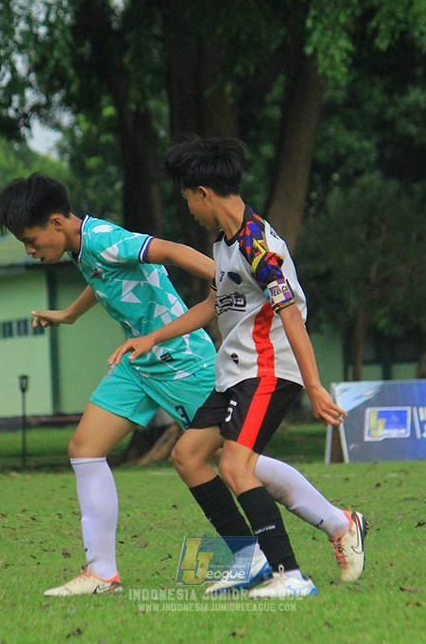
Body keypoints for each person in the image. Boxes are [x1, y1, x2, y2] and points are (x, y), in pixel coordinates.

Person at [0, 173, 364, 597]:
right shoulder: (82, 247)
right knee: (85, 447)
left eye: (30, 238)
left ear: (57, 223)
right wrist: (70, 314)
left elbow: (170, 251)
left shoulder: (103, 238)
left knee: (235, 459)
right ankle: (101, 572)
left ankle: (337, 523)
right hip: (138, 361)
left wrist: (224, 277)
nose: (29, 249)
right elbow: (104, 279)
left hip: (182, 360)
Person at [109, 135, 365, 599]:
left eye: (188, 199)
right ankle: (251, 560)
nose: (188, 208)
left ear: (204, 193)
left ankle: (290, 575)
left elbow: (291, 315)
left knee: (236, 465)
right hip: (235, 372)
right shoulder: (224, 245)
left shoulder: (258, 243)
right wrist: (152, 337)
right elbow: (214, 304)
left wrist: (314, 386)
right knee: (187, 456)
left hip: (269, 370)